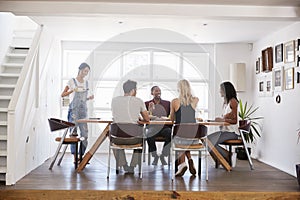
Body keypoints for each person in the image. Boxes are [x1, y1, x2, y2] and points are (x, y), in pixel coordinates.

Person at [111, 80, 150, 174]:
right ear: (133, 90)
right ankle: (132, 166)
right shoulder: (138, 101)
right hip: (134, 139)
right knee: (142, 137)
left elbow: (117, 115)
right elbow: (147, 119)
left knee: (113, 140)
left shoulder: (114, 100)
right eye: (136, 90)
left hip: (117, 138)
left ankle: (123, 165)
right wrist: (139, 119)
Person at [61, 62, 94, 162]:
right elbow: (63, 94)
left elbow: (83, 99)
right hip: (74, 111)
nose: (85, 73)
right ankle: (75, 158)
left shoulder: (86, 83)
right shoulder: (72, 81)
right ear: (80, 69)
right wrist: (72, 90)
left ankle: (81, 156)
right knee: (73, 134)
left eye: (87, 72)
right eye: (85, 71)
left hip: (83, 111)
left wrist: (89, 98)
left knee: (85, 134)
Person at [170, 79, 199, 176]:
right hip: (193, 137)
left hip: (181, 136)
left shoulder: (174, 102)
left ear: (179, 89)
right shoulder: (195, 100)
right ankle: (190, 159)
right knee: (185, 138)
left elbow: (171, 120)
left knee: (180, 138)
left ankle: (182, 164)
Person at [207, 81, 239, 166]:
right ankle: (222, 159)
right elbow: (225, 118)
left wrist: (222, 120)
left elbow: (235, 121)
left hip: (232, 133)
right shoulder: (225, 103)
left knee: (208, 141)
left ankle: (227, 156)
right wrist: (220, 120)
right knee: (206, 140)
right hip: (225, 131)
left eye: (221, 89)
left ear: (225, 91)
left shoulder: (233, 102)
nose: (219, 91)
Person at [145, 86, 171, 165]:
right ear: (152, 93)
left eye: (159, 90)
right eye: (156, 91)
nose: (158, 92)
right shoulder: (146, 103)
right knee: (149, 133)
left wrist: (166, 119)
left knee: (170, 133)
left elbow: (171, 116)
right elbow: (146, 117)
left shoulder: (167, 103)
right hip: (153, 127)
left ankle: (163, 155)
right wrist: (150, 111)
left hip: (164, 127)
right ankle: (155, 155)